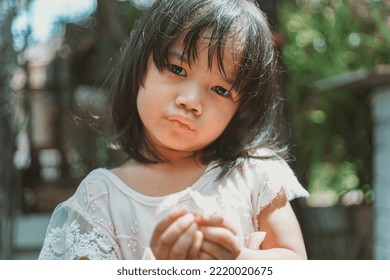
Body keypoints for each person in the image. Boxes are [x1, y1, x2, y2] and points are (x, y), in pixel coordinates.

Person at [38, 0, 309, 260]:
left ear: (241, 110)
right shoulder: (100, 198)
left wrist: (236, 259)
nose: (191, 101)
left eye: (220, 89)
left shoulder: (254, 174)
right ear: (140, 66)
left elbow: (295, 261)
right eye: (178, 69)